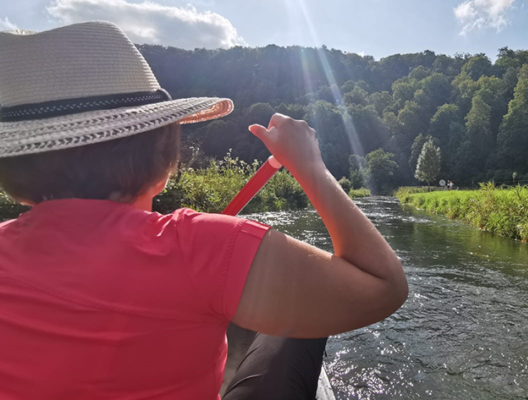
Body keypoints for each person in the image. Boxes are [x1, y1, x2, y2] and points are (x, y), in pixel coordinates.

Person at [0, 22, 407, 400]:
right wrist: (310, 166)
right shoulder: (196, 245)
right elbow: (382, 285)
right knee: (303, 323)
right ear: (162, 158)